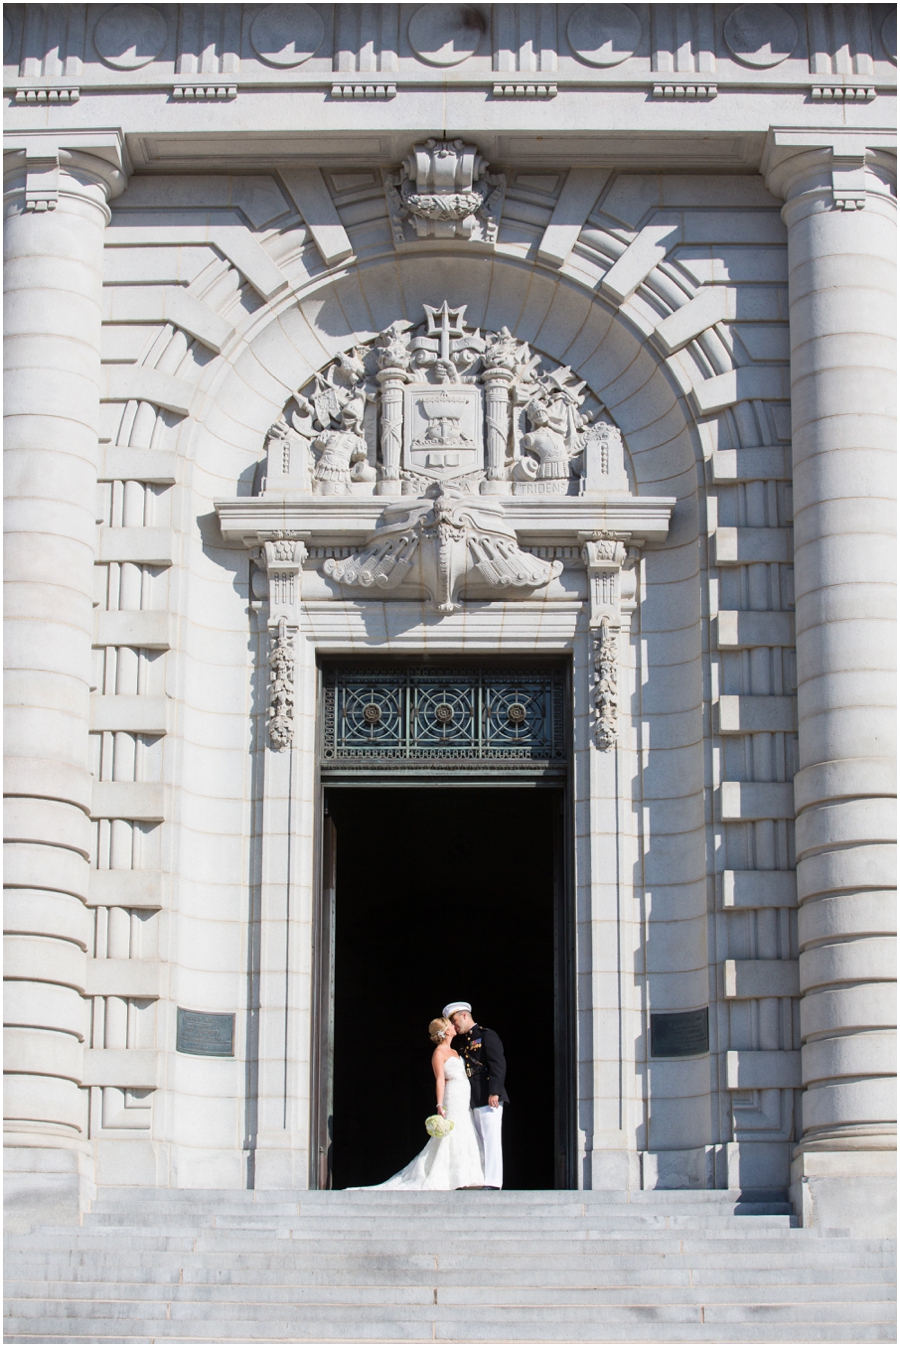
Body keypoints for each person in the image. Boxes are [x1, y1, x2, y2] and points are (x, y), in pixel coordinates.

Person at [344, 1016, 484, 1191]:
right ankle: (451, 1177)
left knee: (464, 1129)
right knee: (452, 1132)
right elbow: (440, 1079)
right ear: (446, 1031)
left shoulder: (455, 1051)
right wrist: (439, 1104)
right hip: (453, 1095)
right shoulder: (439, 1053)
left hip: (463, 1096)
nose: (454, 1026)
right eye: (450, 1025)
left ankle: (467, 1176)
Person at [444, 1001, 508, 1190]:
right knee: (477, 1141)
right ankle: (481, 1179)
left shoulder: (487, 1036)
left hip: (489, 1095)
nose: (455, 1026)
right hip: (472, 1098)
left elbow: (498, 1064)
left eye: (455, 1021)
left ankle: (494, 1182)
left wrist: (494, 1091)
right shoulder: (463, 1043)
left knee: (491, 1139)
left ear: (465, 1015)